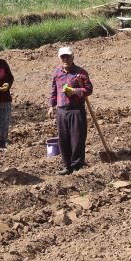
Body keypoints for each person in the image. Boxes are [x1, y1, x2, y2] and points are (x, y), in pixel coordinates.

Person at [47, 46, 93, 175]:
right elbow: (53, 91)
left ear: (73, 57)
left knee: (77, 140)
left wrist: (75, 91)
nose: (65, 59)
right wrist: (51, 106)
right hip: (61, 111)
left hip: (76, 110)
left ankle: (77, 166)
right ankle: (67, 166)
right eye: (63, 57)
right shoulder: (57, 72)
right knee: (64, 140)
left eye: (67, 56)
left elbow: (89, 90)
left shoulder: (80, 73)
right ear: (60, 58)